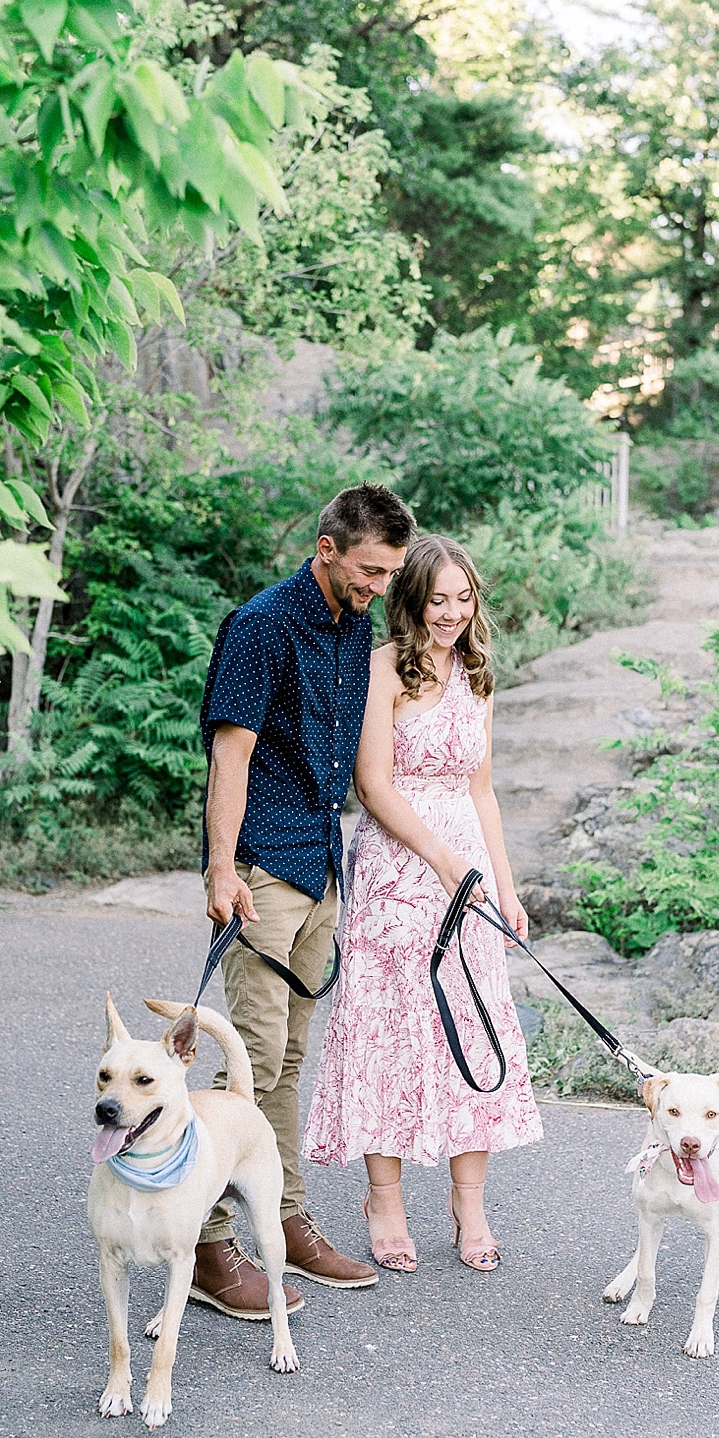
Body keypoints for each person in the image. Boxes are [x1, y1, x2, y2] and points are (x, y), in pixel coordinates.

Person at [193, 483, 416, 1317]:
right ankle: (212, 1246)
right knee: (246, 1061)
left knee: (286, 1060)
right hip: (262, 873)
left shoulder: (352, 627)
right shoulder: (261, 625)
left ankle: (285, 1225)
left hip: (322, 869)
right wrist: (223, 871)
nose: (378, 587)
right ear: (326, 549)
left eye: (389, 573)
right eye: (368, 569)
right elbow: (232, 756)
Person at [303, 534, 543, 1272]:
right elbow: (372, 786)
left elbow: (481, 787)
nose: (451, 613)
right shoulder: (380, 670)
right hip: (397, 872)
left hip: (466, 871)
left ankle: (469, 1202)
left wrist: (503, 883)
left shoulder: (478, 674)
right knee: (389, 1028)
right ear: (412, 600)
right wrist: (442, 862)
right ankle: (386, 1198)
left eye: (463, 599)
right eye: (438, 599)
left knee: (470, 1025)